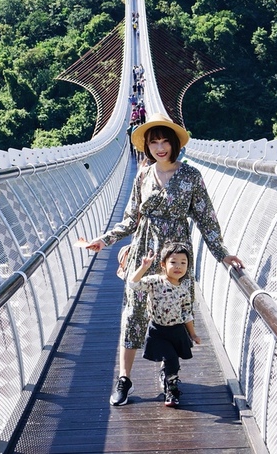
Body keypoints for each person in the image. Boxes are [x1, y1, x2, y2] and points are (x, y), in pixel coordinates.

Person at [85, 112, 243, 406]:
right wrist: (104, 240)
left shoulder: (191, 176)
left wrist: (222, 253)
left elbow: (206, 219)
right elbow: (131, 219)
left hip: (176, 254)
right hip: (144, 251)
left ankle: (170, 379)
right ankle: (125, 379)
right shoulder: (143, 174)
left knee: (173, 316)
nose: (160, 147)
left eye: (164, 141)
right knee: (134, 315)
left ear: (174, 144)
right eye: (154, 141)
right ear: (147, 145)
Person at [129, 242, 199, 407]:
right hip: (158, 331)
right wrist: (143, 267)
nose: (178, 266)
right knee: (171, 358)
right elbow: (133, 284)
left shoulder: (183, 289)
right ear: (163, 264)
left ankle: (171, 384)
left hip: (176, 331)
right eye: (173, 262)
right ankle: (171, 390)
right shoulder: (155, 281)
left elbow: (186, 314)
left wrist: (193, 334)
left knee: (173, 363)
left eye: (183, 263)